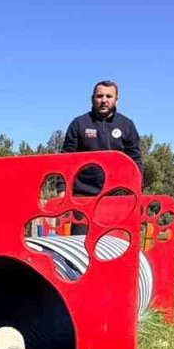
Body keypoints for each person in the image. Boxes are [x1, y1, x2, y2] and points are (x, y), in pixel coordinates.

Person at [60, 81, 143, 234]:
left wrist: (136, 191)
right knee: (81, 246)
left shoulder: (127, 125)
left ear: (116, 100)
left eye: (109, 96)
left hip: (115, 198)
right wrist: (62, 189)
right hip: (83, 198)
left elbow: (135, 161)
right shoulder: (79, 124)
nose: (104, 100)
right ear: (93, 98)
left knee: (114, 246)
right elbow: (65, 159)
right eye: (100, 96)